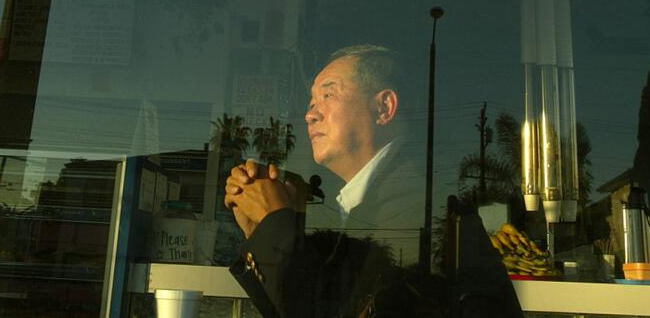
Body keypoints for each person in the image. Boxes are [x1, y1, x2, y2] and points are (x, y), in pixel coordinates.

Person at [223, 45, 521, 318]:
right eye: (312, 101)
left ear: (384, 108)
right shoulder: (370, 201)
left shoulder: (418, 204)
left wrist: (275, 223)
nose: (310, 114)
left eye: (329, 95)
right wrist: (263, 230)